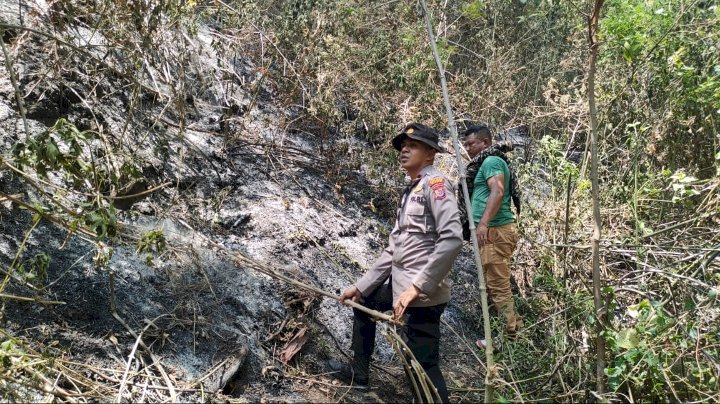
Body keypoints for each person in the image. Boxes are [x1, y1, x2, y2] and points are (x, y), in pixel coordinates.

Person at [328, 123, 462, 403]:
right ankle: (360, 375)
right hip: (401, 288)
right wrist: (361, 287)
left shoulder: (436, 186)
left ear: (430, 153)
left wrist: (417, 288)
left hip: (421, 295)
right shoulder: (411, 190)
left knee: (421, 364)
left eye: (412, 145)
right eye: (403, 145)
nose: (404, 150)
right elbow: (394, 249)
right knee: (364, 304)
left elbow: (452, 239)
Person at [461, 124, 522, 348]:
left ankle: (507, 339)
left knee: (498, 285)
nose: (467, 148)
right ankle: (511, 329)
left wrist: (483, 223)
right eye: (465, 144)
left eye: (471, 143)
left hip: (495, 230)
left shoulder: (491, 161)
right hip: (491, 232)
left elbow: (497, 191)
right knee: (494, 283)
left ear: (485, 143)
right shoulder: (484, 163)